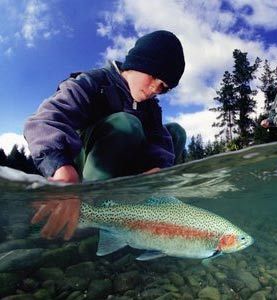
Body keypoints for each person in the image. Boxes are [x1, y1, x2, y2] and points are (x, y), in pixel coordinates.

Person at [24, 30, 187, 240]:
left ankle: (131, 214)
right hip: (81, 176)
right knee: (126, 123)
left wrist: (156, 171)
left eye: (164, 87)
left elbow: (161, 142)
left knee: (175, 133)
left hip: (125, 182)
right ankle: (92, 213)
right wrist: (61, 170)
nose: (156, 88)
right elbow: (44, 121)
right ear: (137, 64)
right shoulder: (92, 82)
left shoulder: (151, 109)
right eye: (154, 76)